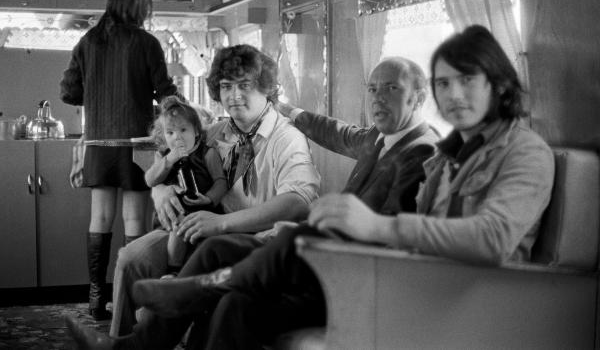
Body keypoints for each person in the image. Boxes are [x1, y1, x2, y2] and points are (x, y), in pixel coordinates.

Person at [72, 24, 555, 350]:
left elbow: (488, 239)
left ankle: (189, 293)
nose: (455, 95)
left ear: (498, 85)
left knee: (282, 239)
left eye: (466, 81)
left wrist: (369, 227)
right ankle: (157, 324)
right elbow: (338, 132)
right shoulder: (441, 151)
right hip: (381, 270)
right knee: (240, 289)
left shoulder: (508, 152)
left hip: (427, 289)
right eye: (446, 83)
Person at [66, 55, 440, 348]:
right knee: (153, 263)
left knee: (224, 256)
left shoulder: (418, 153)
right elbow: (174, 150)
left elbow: (310, 203)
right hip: (217, 229)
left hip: (332, 270)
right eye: (372, 88)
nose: (233, 96)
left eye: (391, 88)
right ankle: (133, 340)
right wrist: (159, 188)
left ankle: (175, 300)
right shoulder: (377, 139)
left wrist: (309, 231)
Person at [105, 44, 321, 337]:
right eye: (226, 86)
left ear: (266, 88)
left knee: (205, 275)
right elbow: (172, 159)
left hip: (251, 238)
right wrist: (161, 191)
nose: (234, 96)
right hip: (196, 226)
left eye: (245, 85)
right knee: (130, 260)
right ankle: (119, 340)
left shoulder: (287, 138)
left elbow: (297, 202)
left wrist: (220, 223)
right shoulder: (216, 133)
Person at [60, 0, 179, 321]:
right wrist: (183, 116)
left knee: (99, 218)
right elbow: (164, 91)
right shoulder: (146, 42)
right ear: (139, 7)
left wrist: (97, 92)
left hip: (98, 142)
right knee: (134, 219)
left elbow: (69, 91)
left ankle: (96, 299)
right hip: (136, 145)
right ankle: (129, 296)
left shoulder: (89, 41)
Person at [145, 96, 228, 278]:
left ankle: (179, 272)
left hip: (203, 208)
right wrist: (169, 160)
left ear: (196, 131)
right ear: (163, 135)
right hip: (175, 213)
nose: (178, 137)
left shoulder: (208, 153)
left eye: (183, 130)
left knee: (188, 228)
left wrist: (210, 198)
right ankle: (173, 270)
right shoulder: (163, 156)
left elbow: (221, 182)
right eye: (170, 133)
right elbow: (150, 180)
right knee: (178, 226)